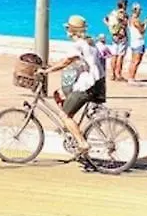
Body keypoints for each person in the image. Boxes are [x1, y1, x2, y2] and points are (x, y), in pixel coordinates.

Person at [39, 15, 105, 155]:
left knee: (64, 115)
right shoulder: (89, 42)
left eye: (68, 29)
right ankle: (70, 127)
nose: (67, 31)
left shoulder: (78, 45)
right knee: (58, 93)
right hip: (97, 82)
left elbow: (66, 62)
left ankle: (82, 143)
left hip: (88, 85)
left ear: (72, 31)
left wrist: (47, 71)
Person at [104, 0, 129, 82]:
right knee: (120, 56)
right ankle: (118, 74)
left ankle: (112, 74)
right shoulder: (123, 13)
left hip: (114, 36)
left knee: (114, 55)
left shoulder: (112, 13)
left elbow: (105, 20)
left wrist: (110, 27)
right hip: (121, 36)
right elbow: (125, 24)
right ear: (124, 5)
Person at [127, 2, 147, 83]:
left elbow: (138, 27)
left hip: (133, 41)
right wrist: (146, 24)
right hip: (138, 42)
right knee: (136, 61)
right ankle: (131, 78)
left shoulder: (131, 19)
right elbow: (142, 31)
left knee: (133, 61)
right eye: (139, 10)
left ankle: (131, 77)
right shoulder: (135, 20)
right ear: (136, 10)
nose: (140, 12)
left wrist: (144, 23)